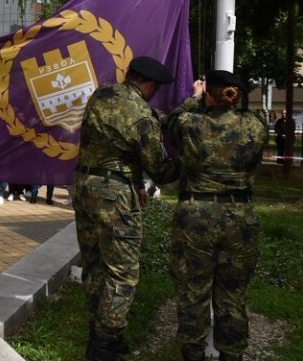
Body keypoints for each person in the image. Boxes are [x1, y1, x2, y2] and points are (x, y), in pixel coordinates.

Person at [73, 56, 180, 361]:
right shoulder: (142, 116)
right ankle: (104, 345)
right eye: (155, 89)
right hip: (114, 194)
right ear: (148, 84)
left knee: (94, 263)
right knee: (122, 272)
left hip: (84, 186)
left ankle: (101, 329)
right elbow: (160, 169)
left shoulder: (102, 95)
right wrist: (187, 164)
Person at [165, 71, 268, 361]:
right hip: (240, 217)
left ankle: (193, 354)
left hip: (196, 216)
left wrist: (193, 99)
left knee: (193, 291)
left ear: (210, 93)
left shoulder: (191, 124)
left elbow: (170, 123)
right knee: (233, 294)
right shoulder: (256, 126)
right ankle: (231, 355)